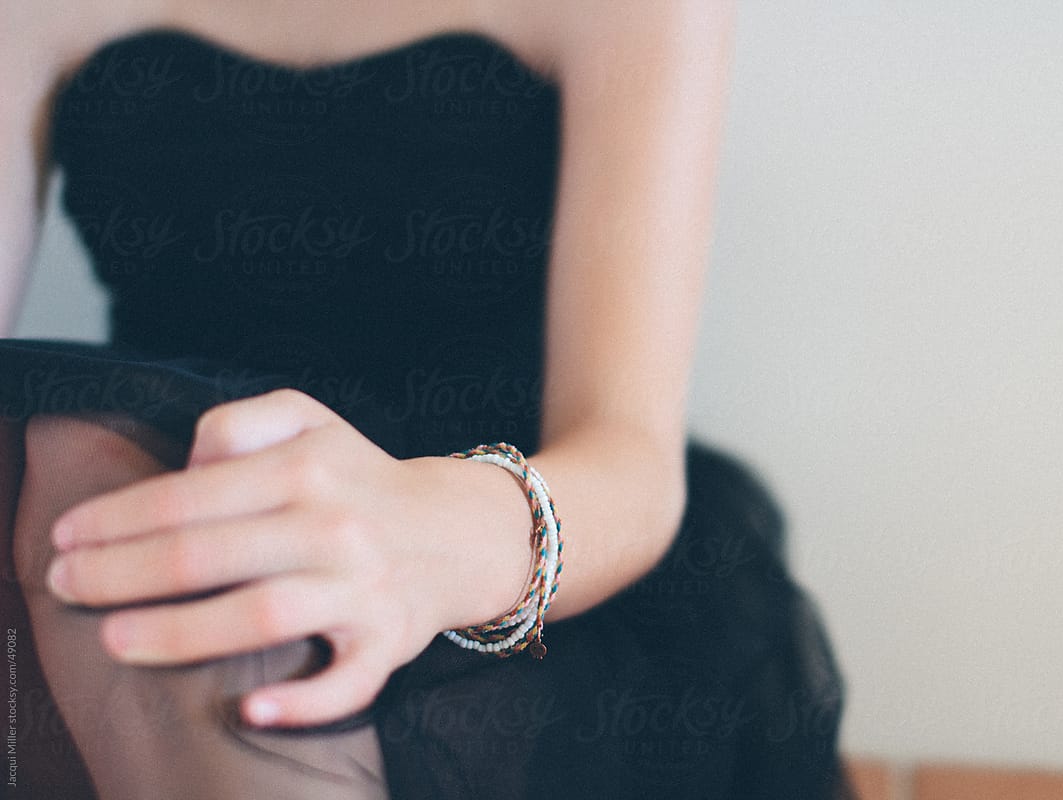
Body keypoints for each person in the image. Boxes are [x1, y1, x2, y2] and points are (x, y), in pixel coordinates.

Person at [0, 1, 855, 797]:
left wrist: (430, 543)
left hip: (523, 545)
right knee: (87, 466)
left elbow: (627, 450)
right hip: (169, 488)